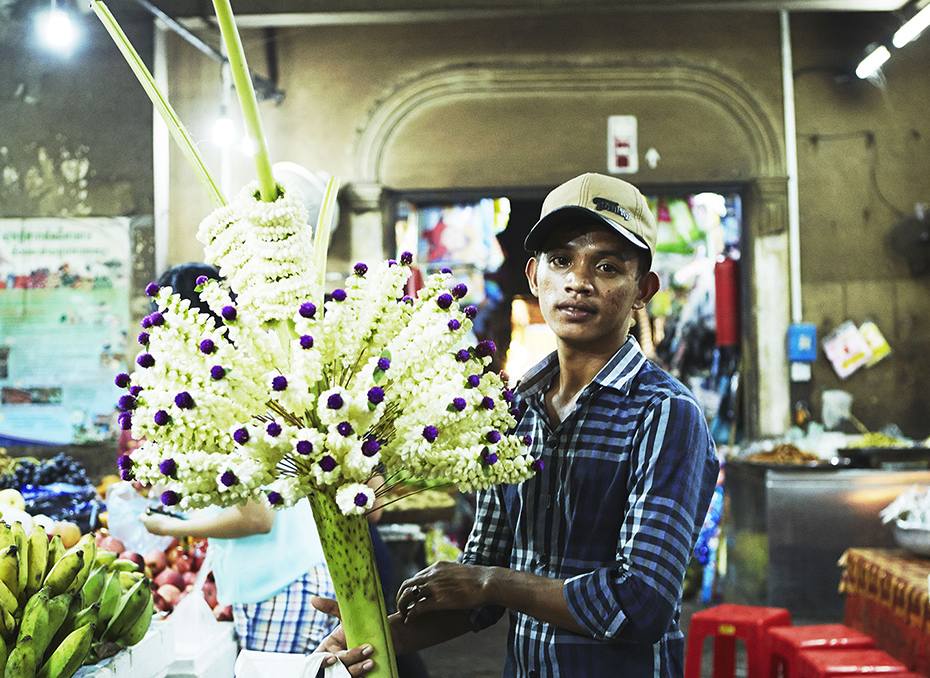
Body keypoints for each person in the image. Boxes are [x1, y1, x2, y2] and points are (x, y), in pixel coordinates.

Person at [314, 173, 718, 677]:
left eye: (608, 266)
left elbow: (641, 602)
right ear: (533, 277)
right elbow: (477, 595)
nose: (578, 281)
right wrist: (371, 635)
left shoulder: (664, 413)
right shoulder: (514, 410)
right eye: (560, 260)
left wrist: (491, 582)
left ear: (643, 290)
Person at [137, 262, 339, 654]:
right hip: (289, 579)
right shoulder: (240, 376)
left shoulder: (223, 398)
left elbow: (256, 517)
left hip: (281, 587)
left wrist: (169, 528)